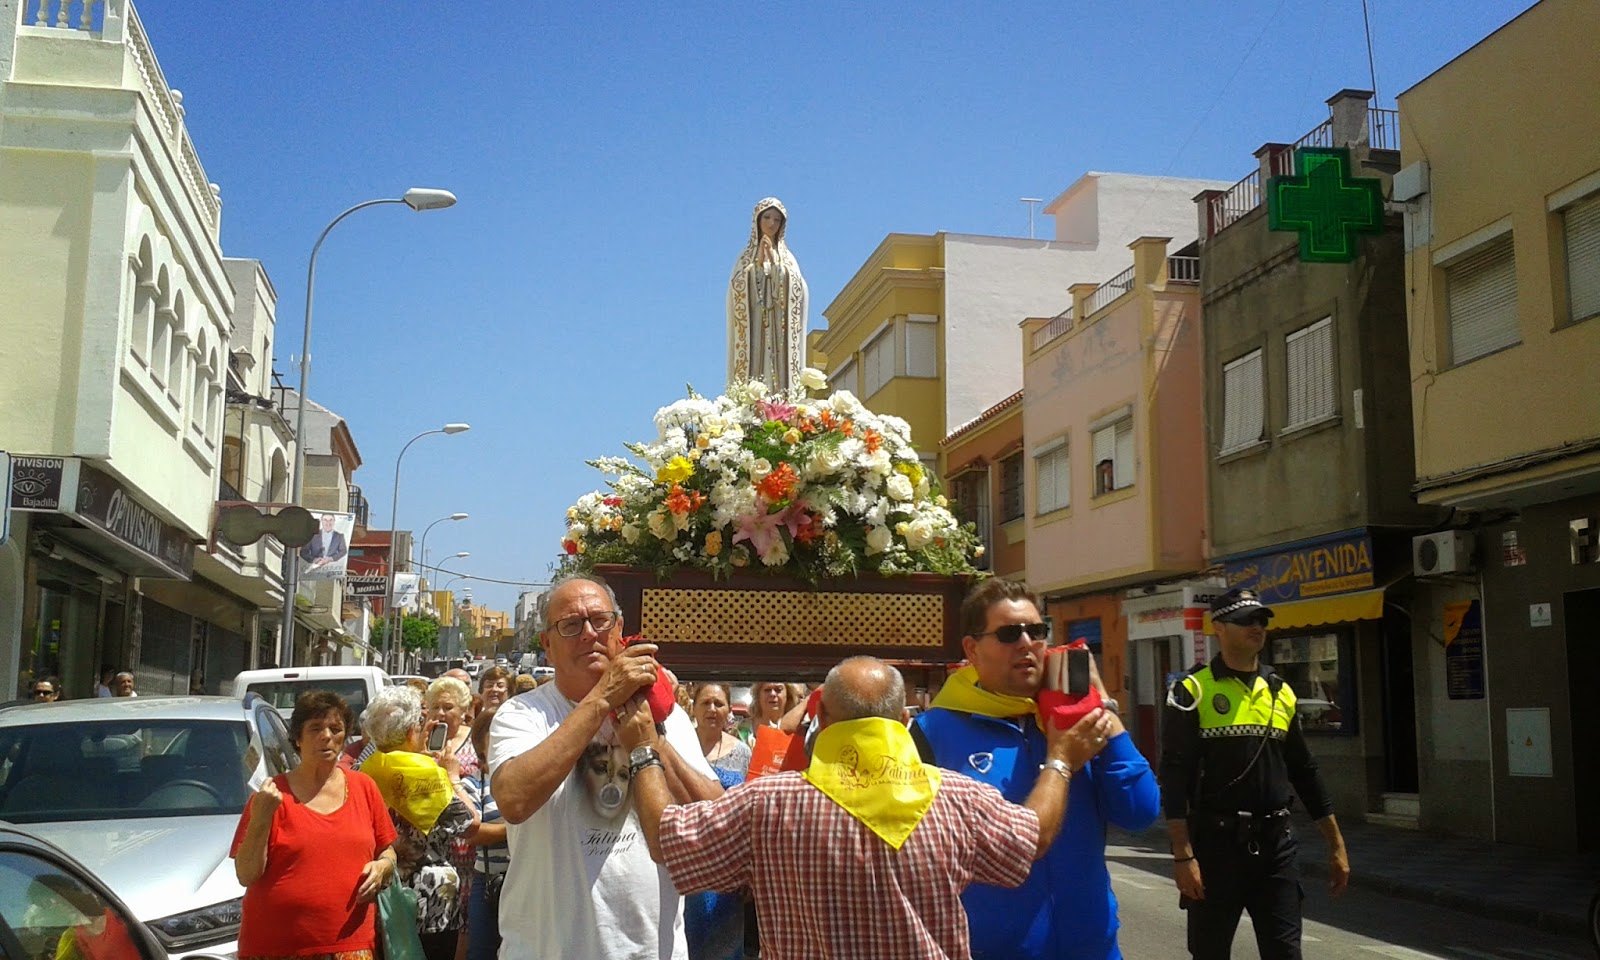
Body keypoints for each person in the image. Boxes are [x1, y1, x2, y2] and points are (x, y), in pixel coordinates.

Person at [624, 656, 1110, 960]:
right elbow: (1034, 835)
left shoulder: (767, 803)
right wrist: (1060, 760)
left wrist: (645, 748)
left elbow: (666, 839)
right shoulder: (960, 799)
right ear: (903, 719)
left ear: (821, 717)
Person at [911, 577, 1160, 960]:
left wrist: (1102, 704)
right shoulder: (932, 733)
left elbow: (1140, 812)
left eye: (1037, 631)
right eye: (1009, 634)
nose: (1026, 643)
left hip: (1093, 948)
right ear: (972, 649)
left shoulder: (1076, 720)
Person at [487, 573, 722, 960]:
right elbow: (513, 800)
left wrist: (652, 741)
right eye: (571, 625)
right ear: (546, 644)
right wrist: (602, 700)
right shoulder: (522, 714)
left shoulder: (666, 715)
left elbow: (713, 816)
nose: (588, 634)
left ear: (619, 628)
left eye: (600, 620)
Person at [1162, 588, 1350, 960]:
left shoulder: (1281, 692)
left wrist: (1336, 844)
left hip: (1276, 846)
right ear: (1218, 627)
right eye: (1245, 619)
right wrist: (1183, 856)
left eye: (1261, 619)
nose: (1257, 627)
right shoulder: (1192, 691)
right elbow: (1174, 777)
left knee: (1286, 953)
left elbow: (1304, 771)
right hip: (1215, 849)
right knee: (1209, 953)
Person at [231, 691, 398, 960]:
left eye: (336, 729)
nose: (326, 736)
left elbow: (388, 850)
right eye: (316, 728)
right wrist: (261, 817)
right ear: (297, 738)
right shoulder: (271, 796)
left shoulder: (364, 787)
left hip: (350, 944)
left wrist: (383, 867)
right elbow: (246, 875)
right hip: (276, 949)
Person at [362, 685, 480, 960]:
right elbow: (470, 825)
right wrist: (452, 776)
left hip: (382, 896)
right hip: (432, 899)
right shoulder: (428, 774)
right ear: (410, 732)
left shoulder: (363, 769)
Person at [685, 682, 752, 960]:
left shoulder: (743, 753)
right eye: (705, 703)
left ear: (728, 710)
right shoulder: (680, 745)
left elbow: (751, 812)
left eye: (719, 703)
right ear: (694, 708)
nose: (712, 709)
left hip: (728, 864)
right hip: (686, 858)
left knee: (724, 942)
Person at [726, 197, 808, 390]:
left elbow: (798, 287)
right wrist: (757, 267)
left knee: (779, 372)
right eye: (767, 218)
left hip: (779, 327)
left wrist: (777, 267)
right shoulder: (745, 257)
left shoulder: (788, 258)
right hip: (755, 325)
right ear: (757, 220)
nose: (772, 223)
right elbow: (736, 287)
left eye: (777, 220)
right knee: (756, 364)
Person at [461, 708, 507, 960]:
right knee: (481, 952)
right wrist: (516, 828)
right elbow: (472, 833)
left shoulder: (531, 779)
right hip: (488, 882)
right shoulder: (474, 783)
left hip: (529, 878)